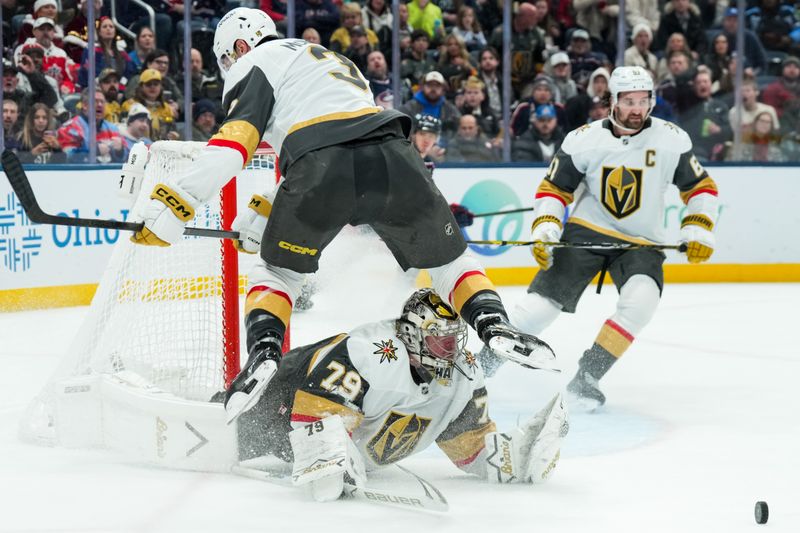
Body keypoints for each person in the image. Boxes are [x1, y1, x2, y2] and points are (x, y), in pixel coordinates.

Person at [129, 8, 557, 423]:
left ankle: (263, 353)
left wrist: (173, 204)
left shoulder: (255, 60)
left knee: (277, 275)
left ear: (241, 44)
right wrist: (262, 216)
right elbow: (341, 133)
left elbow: (238, 144)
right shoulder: (332, 59)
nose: (228, 67)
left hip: (320, 163)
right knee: (451, 263)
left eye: (226, 58)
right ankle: (493, 323)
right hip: (393, 152)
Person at [502, 66, 719, 409]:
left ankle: (588, 377)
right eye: (629, 100)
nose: (637, 108)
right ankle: (479, 368)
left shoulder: (671, 139)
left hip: (642, 243)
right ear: (612, 101)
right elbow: (555, 189)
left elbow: (701, 188)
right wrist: (546, 226)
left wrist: (698, 227)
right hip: (588, 231)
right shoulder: (583, 139)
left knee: (641, 301)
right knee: (537, 310)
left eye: (643, 100)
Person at [238, 289, 568, 500]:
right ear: (413, 336)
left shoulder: (463, 372)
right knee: (234, 438)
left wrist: (512, 456)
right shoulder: (368, 353)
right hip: (281, 400)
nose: (450, 352)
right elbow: (313, 413)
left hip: (332, 421)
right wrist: (330, 456)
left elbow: (467, 442)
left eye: (454, 341)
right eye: (441, 341)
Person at [57, 88, 129, 163]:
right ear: (85, 105)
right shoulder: (69, 128)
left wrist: (120, 151)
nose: (100, 105)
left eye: (102, 102)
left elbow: (128, 158)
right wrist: (93, 152)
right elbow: (67, 157)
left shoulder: (113, 128)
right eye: (96, 101)